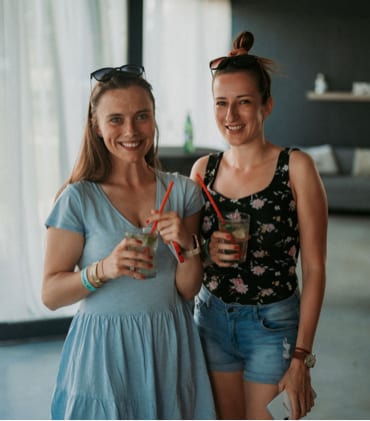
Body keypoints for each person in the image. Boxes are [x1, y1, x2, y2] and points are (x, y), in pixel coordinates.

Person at [42, 65, 215, 420]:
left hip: (169, 345)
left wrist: (187, 243)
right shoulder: (78, 199)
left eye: (141, 117)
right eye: (116, 119)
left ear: (154, 119)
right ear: (96, 125)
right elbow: (50, 294)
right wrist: (104, 269)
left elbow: (187, 289)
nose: (131, 131)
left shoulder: (182, 193)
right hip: (103, 355)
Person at [190, 31, 327, 420]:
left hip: (272, 324)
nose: (230, 116)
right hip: (212, 318)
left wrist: (302, 357)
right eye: (221, 103)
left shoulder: (296, 168)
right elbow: (183, 257)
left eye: (243, 102)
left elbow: (315, 269)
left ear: (266, 105)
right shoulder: (203, 171)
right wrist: (205, 251)